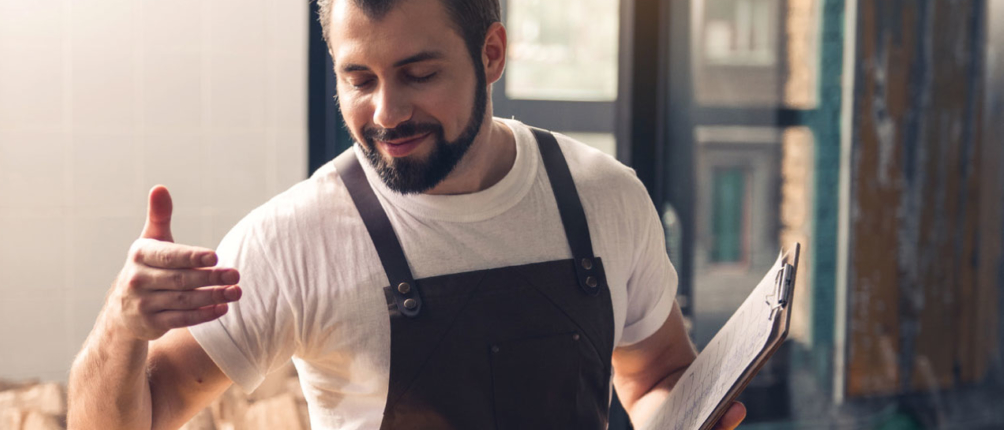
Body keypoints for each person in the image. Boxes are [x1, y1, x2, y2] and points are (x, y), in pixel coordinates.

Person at [68, 0, 748, 428]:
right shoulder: (292, 240)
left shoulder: (606, 198)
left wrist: (688, 416)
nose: (387, 113)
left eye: (419, 74)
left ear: (491, 55)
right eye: (359, 80)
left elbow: (655, 376)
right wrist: (121, 328)